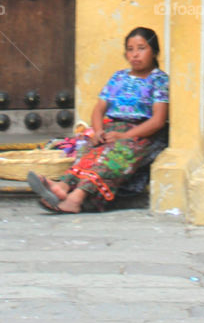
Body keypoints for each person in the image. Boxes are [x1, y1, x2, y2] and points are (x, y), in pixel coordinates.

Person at [27, 27, 169, 213]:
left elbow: (158, 120)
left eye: (141, 48)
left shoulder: (159, 80)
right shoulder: (118, 77)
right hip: (113, 128)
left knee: (116, 153)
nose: (135, 54)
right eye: (130, 49)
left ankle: (76, 198)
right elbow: (99, 109)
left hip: (142, 133)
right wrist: (98, 131)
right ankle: (63, 187)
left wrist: (124, 135)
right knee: (89, 148)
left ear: (154, 51)